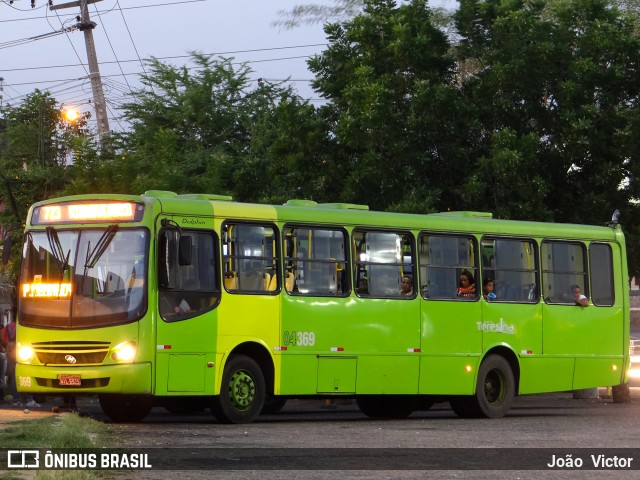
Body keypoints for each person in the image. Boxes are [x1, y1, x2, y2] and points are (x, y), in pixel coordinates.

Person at [3, 318, 39, 407]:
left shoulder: (8, 326)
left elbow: (3, 339)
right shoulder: (24, 325)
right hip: (20, 348)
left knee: (14, 375)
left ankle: (17, 400)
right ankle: (29, 399)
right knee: (27, 373)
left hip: (9, 348)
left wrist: (8, 346)